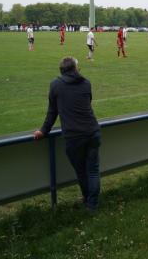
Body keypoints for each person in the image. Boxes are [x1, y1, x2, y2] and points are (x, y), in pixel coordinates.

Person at [33, 57, 101, 211]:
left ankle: (89, 202)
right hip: (92, 131)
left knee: (82, 171)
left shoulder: (56, 85)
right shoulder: (86, 83)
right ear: (75, 69)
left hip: (74, 136)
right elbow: (87, 102)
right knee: (92, 171)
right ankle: (92, 203)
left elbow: (52, 112)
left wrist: (43, 131)